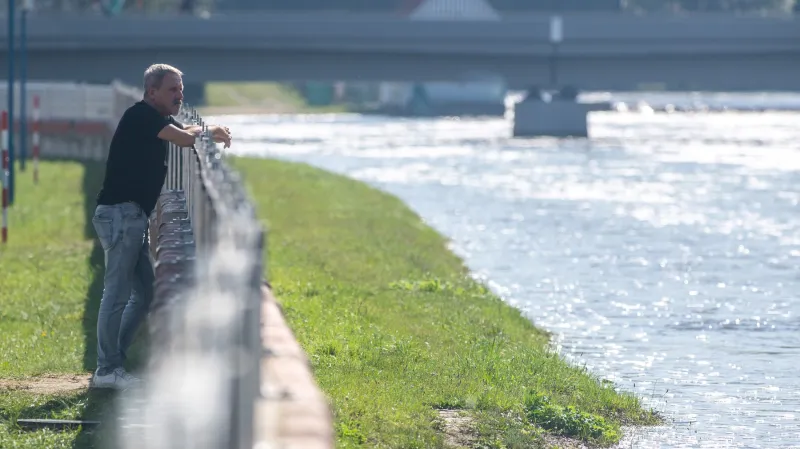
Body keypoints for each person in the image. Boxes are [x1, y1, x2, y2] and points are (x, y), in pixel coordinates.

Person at [90, 63, 232, 389]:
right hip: (120, 215)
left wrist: (207, 130)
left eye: (181, 89)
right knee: (117, 294)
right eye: (172, 90)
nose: (179, 95)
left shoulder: (158, 118)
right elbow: (184, 139)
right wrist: (210, 131)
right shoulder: (141, 116)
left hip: (131, 215)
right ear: (151, 91)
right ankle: (106, 369)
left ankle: (114, 364)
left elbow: (185, 131)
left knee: (146, 293)